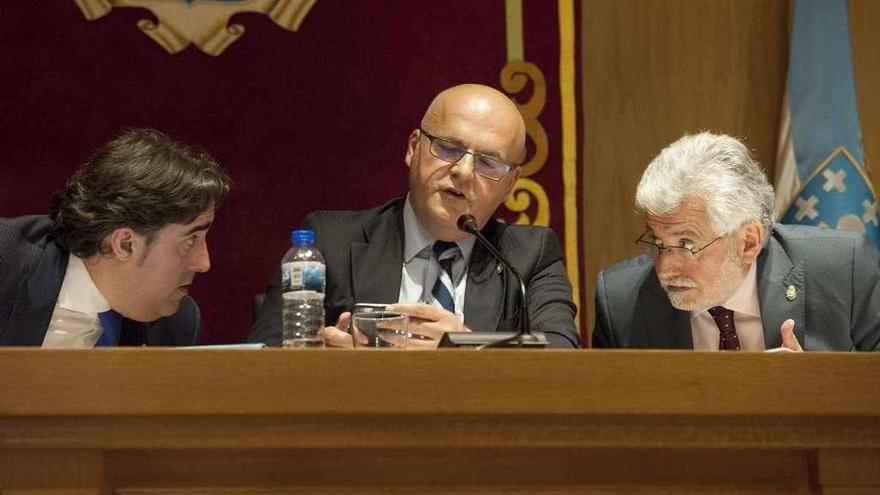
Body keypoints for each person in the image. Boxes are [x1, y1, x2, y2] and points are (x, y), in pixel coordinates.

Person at [250, 84, 579, 348]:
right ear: (413, 148)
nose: (463, 172)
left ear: (509, 184)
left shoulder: (529, 256)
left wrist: (463, 349)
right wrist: (342, 369)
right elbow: (265, 359)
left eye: (488, 163)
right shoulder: (330, 241)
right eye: (449, 148)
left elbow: (561, 354)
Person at [593, 132, 880, 351]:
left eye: (687, 244)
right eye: (657, 241)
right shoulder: (622, 301)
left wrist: (809, 389)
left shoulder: (847, 272)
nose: (665, 268)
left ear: (748, 243)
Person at [0, 128, 231, 347]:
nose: (204, 263)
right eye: (190, 240)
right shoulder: (6, 260)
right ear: (125, 244)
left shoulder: (176, 324)